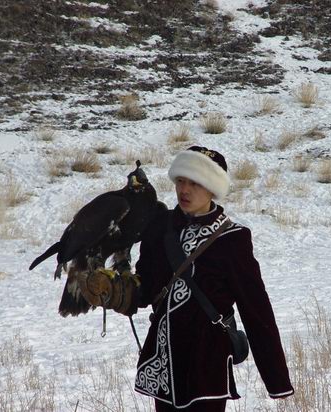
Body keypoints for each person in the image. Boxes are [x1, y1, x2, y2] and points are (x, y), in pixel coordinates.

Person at [84, 146, 293, 411]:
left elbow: (257, 310)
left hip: (206, 361)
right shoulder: (160, 226)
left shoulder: (233, 239)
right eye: (181, 181)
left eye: (195, 183)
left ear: (212, 189)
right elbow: (147, 287)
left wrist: (276, 380)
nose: (184, 190)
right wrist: (119, 291)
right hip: (165, 359)